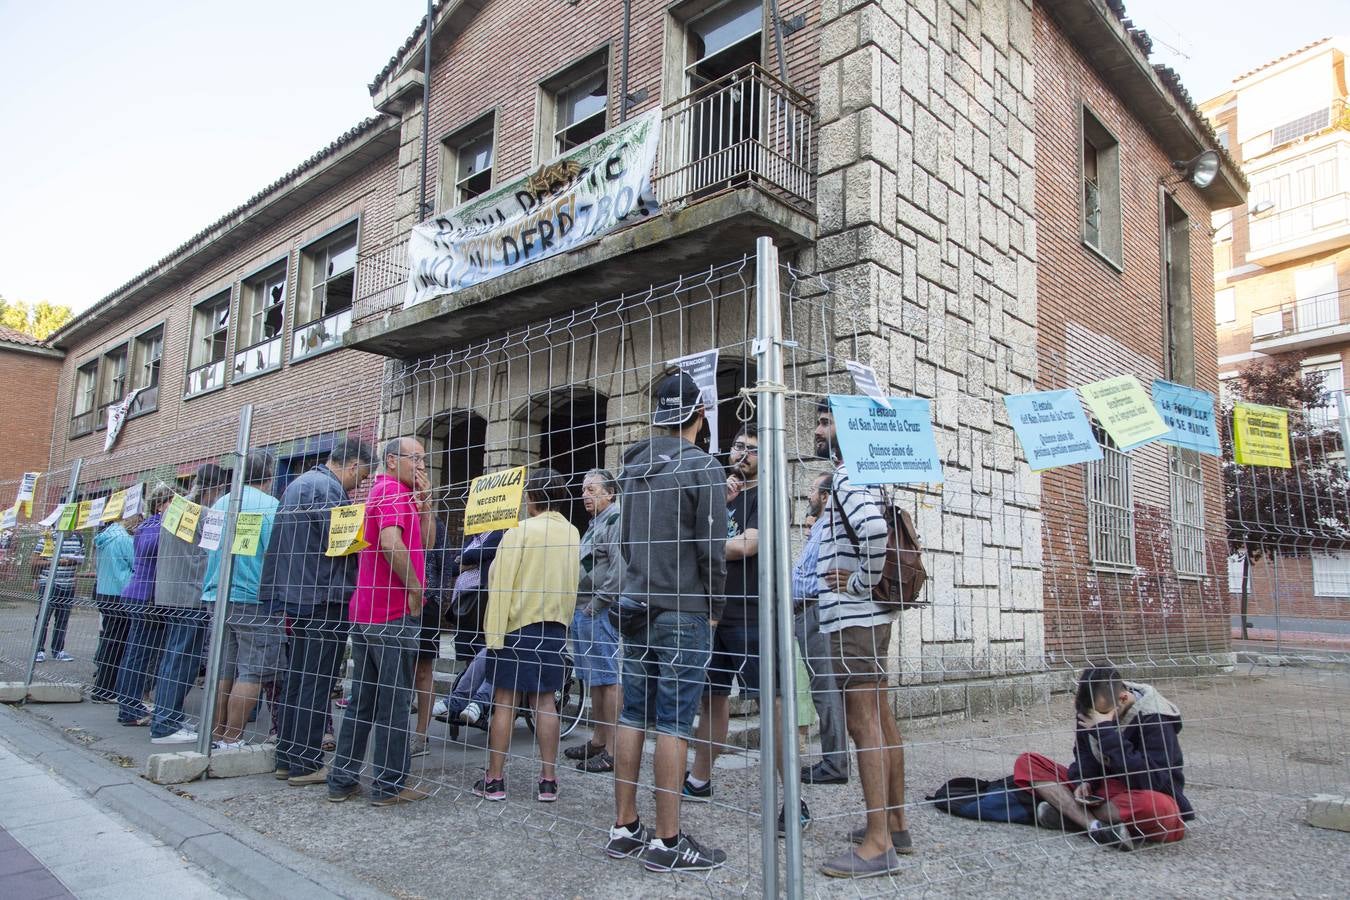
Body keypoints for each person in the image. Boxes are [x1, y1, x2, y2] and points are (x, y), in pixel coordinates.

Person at [605, 371, 727, 873]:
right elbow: (712, 551)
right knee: (676, 722)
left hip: (636, 603)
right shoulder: (704, 467)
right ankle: (668, 840)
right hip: (684, 607)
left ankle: (624, 826)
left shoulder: (632, 468)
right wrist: (715, 608)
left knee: (633, 713)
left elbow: (626, 542)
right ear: (700, 417)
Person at [685, 424, 808, 832]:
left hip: (753, 612)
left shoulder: (767, 494)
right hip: (712, 612)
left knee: (772, 702)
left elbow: (746, 546)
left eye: (752, 449)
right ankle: (699, 780)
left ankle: (794, 801)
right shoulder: (719, 494)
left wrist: (699, 543)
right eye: (738, 446)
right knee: (711, 700)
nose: (742, 454)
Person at [813, 402, 910, 879]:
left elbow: (873, 531)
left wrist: (857, 583)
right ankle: (895, 822)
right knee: (881, 716)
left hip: (856, 618)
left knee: (862, 722)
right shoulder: (872, 476)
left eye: (826, 421)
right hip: (872, 616)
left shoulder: (849, 477)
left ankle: (877, 844)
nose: (817, 429)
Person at [327, 437, 434, 807]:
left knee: (365, 699)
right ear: (392, 460)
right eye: (415, 458)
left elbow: (425, 543)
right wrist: (416, 589)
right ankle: (390, 784)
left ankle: (342, 778)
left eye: (424, 457)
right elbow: (391, 543)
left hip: (368, 612)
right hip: (391, 613)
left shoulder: (395, 493)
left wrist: (426, 507)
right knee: (395, 701)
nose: (421, 464)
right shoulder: (390, 492)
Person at [260, 438, 373, 779]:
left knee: (298, 678)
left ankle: (287, 757)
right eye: (362, 476)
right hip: (325, 597)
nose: (361, 483)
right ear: (352, 465)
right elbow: (346, 546)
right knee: (317, 681)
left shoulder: (298, 484)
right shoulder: (329, 490)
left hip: (297, 595)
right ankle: (305, 763)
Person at [476, 468, 581, 803]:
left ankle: (495, 779)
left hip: (517, 625)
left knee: (505, 701)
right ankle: (548, 779)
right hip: (554, 626)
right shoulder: (573, 532)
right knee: (546, 702)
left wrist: (493, 633)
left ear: (532, 497)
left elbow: (500, 580)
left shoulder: (519, 530)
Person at [1015, 666, 1193, 849]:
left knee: (1158, 808)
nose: (1093, 718)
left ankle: (1071, 816)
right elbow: (1084, 755)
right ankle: (1094, 826)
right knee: (1027, 762)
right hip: (1102, 792)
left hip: (1140, 795)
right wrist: (1083, 781)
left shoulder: (1155, 718)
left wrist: (1105, 731)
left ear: (1123, 699)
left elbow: (1153, 780)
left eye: (1099, 714)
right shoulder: (1091, 710)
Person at [202, 450, 281, 748]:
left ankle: (217, 733)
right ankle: (234, 737)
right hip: (254, 598)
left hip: (217, 594)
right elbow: (279, 554)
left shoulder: (222, 503)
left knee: (224, 667)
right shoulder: (271, 506)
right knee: (254, 669)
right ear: (270, 475)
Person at [150, 463, 231, 744]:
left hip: (169, 594)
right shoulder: (205, 514)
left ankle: (167, 717)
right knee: (181, 660)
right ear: (216, 489)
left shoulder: (176, 508)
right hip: (191, 596)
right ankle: (165, 724)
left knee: (173, 658)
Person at [563, 468, 623, 774]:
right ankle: (599, 739)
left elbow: (619, 570)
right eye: (584, 490)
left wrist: (597, 604)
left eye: (592, 490)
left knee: (608, 679)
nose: (585, 495)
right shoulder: (595, 523)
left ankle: (613, 750)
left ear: (610, 492)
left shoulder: (615, 520)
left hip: (599, 611)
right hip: (584, 609)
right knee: (594, 678)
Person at [794, 472, 849, 786]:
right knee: (821, 686)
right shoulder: (819, 527)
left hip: (817, 611)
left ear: (826, 496)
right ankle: (834, 759)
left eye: (813, 490)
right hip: (805, 612)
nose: (808, 495)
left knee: (825, 687)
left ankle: (835, 762)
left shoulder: (833, 526)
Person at [114, 485, 176, 725]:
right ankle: (129, 708)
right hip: (144, 597)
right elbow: (151, 549)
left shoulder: (148, 525)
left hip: (145, 596)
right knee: (137, 654)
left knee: (138, 653)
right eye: (173, 502)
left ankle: (130, 705)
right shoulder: (154, 525)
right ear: (161, 505)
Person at [412, 516, 452, 758]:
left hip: (426, 605)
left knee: (423, 670)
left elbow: (445, 564)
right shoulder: (396, 515)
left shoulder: (436, 525)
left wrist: (435, 598)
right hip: (397, 603)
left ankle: (420, 735)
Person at [90, 513, 138, 698]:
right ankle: (106, 689)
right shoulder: (124, 539)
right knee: (117, 643)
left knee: (109, 639)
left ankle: (103, 685)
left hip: (104, 591)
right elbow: (137, 563)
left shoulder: (106, 536)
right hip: (119, 593)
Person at [31, 528, 87, 663]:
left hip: (68, 585)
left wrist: (73, 562)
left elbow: (80, 559)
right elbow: (34, 561)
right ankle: (38, 650)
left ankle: (58, 650)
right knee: (43, 618)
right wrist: (58, 561)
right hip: (49, 583)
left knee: (62, 619)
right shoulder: (48, 537)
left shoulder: (78, 538)